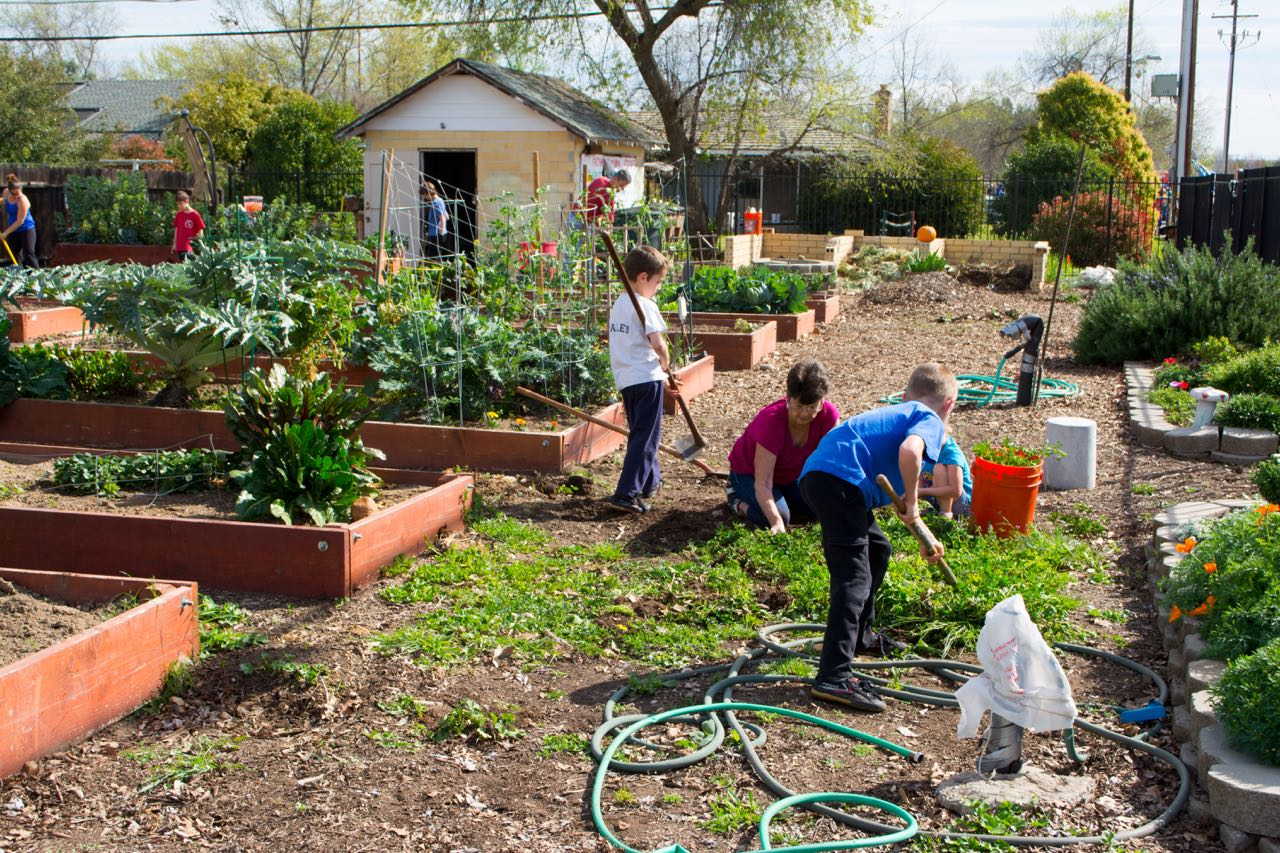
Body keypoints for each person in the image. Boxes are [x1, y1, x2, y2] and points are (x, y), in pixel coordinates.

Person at [799, 363, 956, 713]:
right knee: (853, 577)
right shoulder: (929, 418)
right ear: (948, 405)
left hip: (827, 477)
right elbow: (911, 453)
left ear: (906, 394)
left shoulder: (902, 411)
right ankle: (833, 677)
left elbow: (900, 494)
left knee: (877, 550)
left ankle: (861, 636)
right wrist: (915, 505)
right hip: (840, 481)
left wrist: (922, 534)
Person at [726, 360, 839, 534]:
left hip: (788, 477)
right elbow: (763, 483)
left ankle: (782, 499)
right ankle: (736, 499)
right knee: (779, 517)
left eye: (811, 407)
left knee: (821, 508)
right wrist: (776, 522)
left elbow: (834, 463)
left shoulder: (828, 417)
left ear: (822, 401)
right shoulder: (771, 423)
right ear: (788, 397)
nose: (804, 414)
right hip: (749, 474)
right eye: (799, 406)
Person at [607, 244, 679, 514]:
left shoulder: (620, 303)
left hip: (627, 379)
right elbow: (658, 343)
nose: (659, 287)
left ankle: (649, 481)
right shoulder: (645, 305)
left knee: (642, 433)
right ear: (642, 277)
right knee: (646, 437)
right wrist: (665, 361)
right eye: (658, 281)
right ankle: (627, 493)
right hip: (646, 379)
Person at [918, 427, 972, 519]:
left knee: (939, 468)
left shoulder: (952, 454)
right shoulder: (926, 451)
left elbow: (955, 491)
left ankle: (945, 517)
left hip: (961, 506)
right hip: (935, 499)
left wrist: (921, 491)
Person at [2, 174, 38, 268]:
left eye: (18, 193)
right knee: (14, 255)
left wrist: (5, 233)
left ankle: (36, 276)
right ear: (9, 191)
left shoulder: (22, 200)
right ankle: (18, 277)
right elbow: (4, 201)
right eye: (14, 194)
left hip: (27, 229)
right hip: (14, 230)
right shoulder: (6, 193)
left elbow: (20, 221)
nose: (17, 196)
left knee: (29, 255)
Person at [172, 191, 205, 262]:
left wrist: (198, 243)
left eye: (181, 204)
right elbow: (176, 229)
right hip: (180, 245)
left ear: (187, 201)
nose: (179, 206)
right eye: (177, 204)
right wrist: (174, 244)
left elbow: (200, 230)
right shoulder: (179, 214)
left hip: (190, 246)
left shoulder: (195, 214)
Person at [422, 181, 449, 257]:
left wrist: (441, 233)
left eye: (424, 195)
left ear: (427, 193)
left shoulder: (435, 203)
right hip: (440, 233)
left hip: (435, 234)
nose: (424, 198)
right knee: (438, 256)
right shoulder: (440, 200)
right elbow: (447, 216)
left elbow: (442, 217)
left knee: (434, 257)